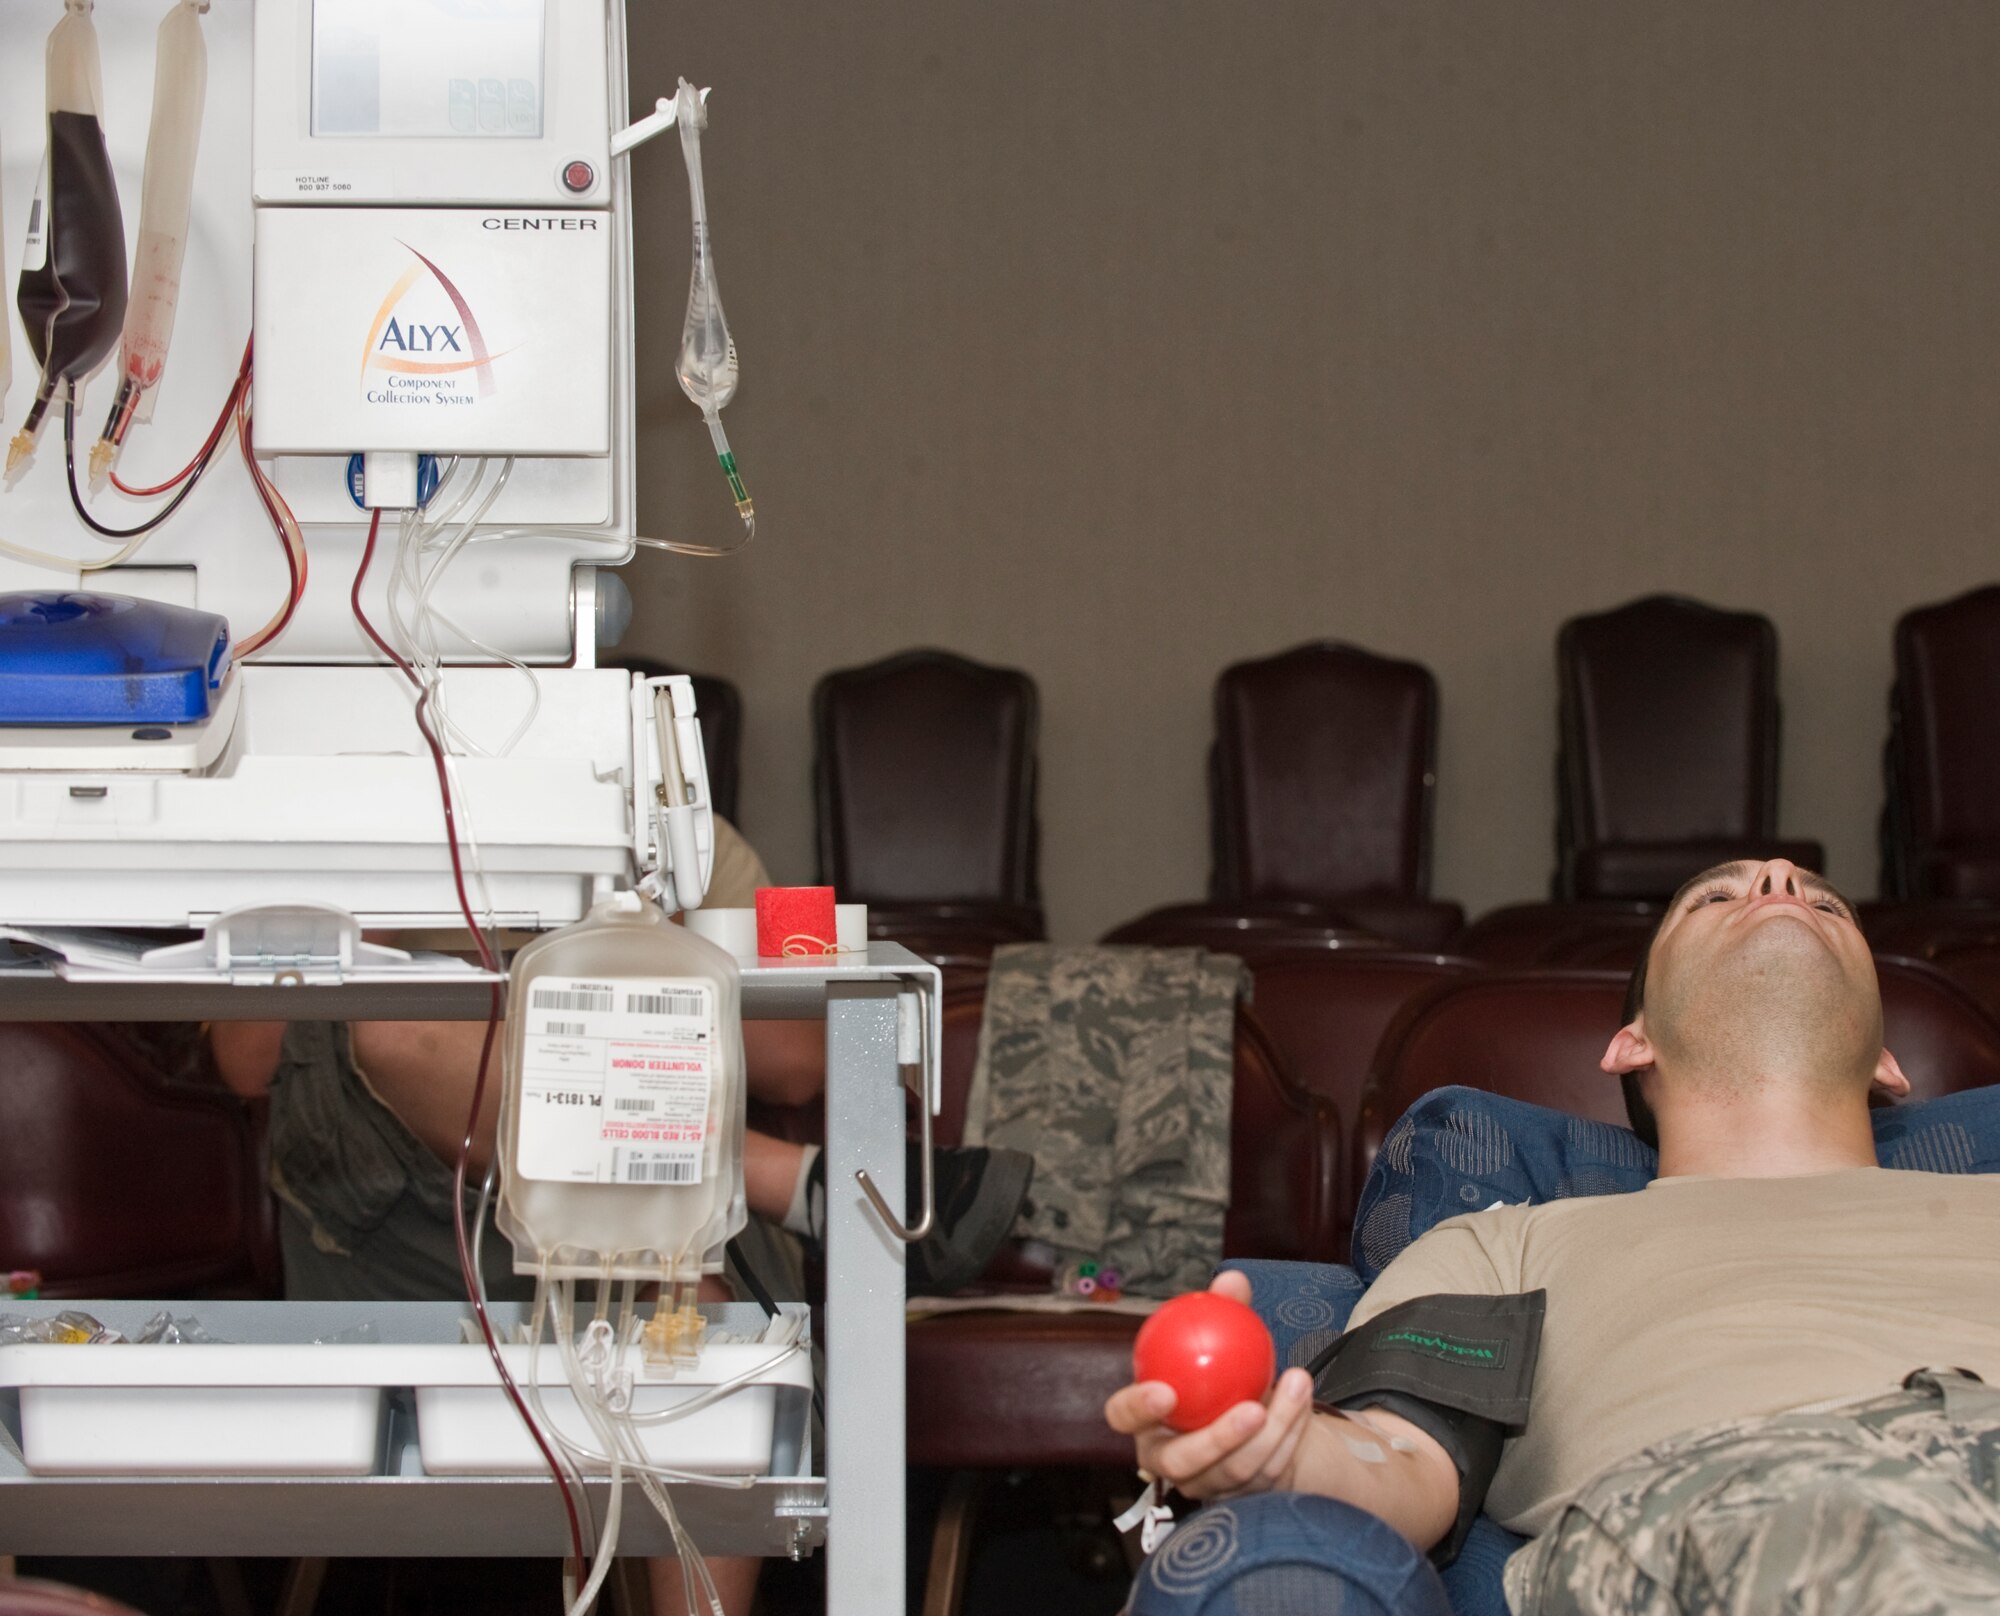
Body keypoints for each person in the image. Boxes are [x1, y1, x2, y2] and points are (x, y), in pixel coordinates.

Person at [1106, 858, 2000, 1615]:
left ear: (1889, 1065)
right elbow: (1405, 1455)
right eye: (1717, 896)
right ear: (1631, 1043)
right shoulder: (1508, 1242)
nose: (1779, 878)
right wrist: (1280, 1453)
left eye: (1825, 902)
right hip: (1747, 1510)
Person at [210, 816, 1029, 1616]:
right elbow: (243, 1062)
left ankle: (776, 1182)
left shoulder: (678, 830)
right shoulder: (339, 820)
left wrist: (651, 945)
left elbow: (799, 1065)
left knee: (700, 1315)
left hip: (663, 1229)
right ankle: (796, 1183)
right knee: (407, 1020)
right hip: (407, 1227)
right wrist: (380, 883)